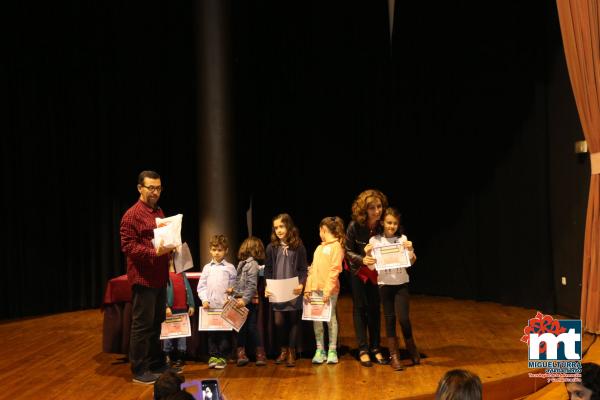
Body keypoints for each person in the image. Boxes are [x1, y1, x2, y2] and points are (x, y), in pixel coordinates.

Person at [121, 170, 176, 384]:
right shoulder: (131, 215)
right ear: (139, 188)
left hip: (160, 277)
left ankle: (155, 363)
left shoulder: (159, 212)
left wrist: (172, 247)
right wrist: (155, 252)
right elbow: (128, 246)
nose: (155, 192)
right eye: (151, 188)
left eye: (158, 188)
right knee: (142, 325)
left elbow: (162, 241)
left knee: (157, 322)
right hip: (143, 279)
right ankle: (139, 369)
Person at [365, 207, 419, 370]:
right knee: (389, 319)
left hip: (401, 284)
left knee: (403, 318)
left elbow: (410, 262)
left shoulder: (402, 239)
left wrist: (409, 249)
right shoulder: (375, 241)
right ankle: (394, 356)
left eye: (395, 223)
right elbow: (373, 268)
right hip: (385, 285)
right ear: (383, 223)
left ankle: (411, 348)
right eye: (389, 222)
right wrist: (367, 256)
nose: (391, 226)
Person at [344, 189, 389, 367]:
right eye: (372, 208)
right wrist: (362, 259)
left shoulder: (383, 225)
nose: (377, 211)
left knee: (375, 308)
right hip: (358, 271)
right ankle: (363, 349)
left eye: (379, 207)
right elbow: (347, 251)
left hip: (377, 271)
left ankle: (376, 348)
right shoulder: (354, 225)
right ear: (364, 209)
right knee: (360, 308)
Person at [264, 213, 308, 367]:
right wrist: (267, 286)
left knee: (294, 320)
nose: (279, 230)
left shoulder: (298, 246)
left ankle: (291, 351)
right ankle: (283, 349)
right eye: (276, 227)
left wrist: (301, 284)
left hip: (293, 289)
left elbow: (303, 269)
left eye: (281, 226)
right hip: (277, 290)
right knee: (278, 322)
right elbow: (268, 270)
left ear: (288, 226)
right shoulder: (271, 247)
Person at [304, 216, 345, 365]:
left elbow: (335, 270)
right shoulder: (319, 248)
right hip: (315, 289)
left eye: (320, 230)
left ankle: (332, 349)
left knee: (330, 318)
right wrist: (308, 288)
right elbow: (313, 269)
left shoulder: (336, 247)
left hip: (330, 291)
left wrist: (327, 291)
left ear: (324, 230)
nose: (319, 233)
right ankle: (319, 349)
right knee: (317, 319)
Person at [197, 235, 237, 369]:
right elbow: (201, 286)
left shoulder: (230, 268)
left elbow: (234, 288)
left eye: (220, 250)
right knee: (212, 334)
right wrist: (205, 300)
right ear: (210, 250)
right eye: (214, 250)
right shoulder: (207, 268)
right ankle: (213, 356)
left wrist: (230, 300)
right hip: (211, 309)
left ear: (226, 250)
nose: (216, 252)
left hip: (225, 308)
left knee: (225, 335)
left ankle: (223, 357)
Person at [228, 236, 267, 366]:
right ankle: (241, 354)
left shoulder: (253, 264)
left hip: (248, 302)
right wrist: (232, 291)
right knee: (240, 328)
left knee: (251, 328)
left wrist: (244, 300)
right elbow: (239, 283)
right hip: (239, 301)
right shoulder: (242, 263)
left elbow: (251, 285)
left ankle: (260, 354)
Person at [163, 259, 196, 368]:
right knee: (168, 334)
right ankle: (167, 355)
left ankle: (181, 355)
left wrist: (191, 304)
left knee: (182, 334)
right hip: (170, 310)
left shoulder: (182, 275)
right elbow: (162, 292)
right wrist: (166, 306)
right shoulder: (165, 275)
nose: (173, 261)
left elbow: (189, 290)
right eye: (171, 259)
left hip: (182, 309)